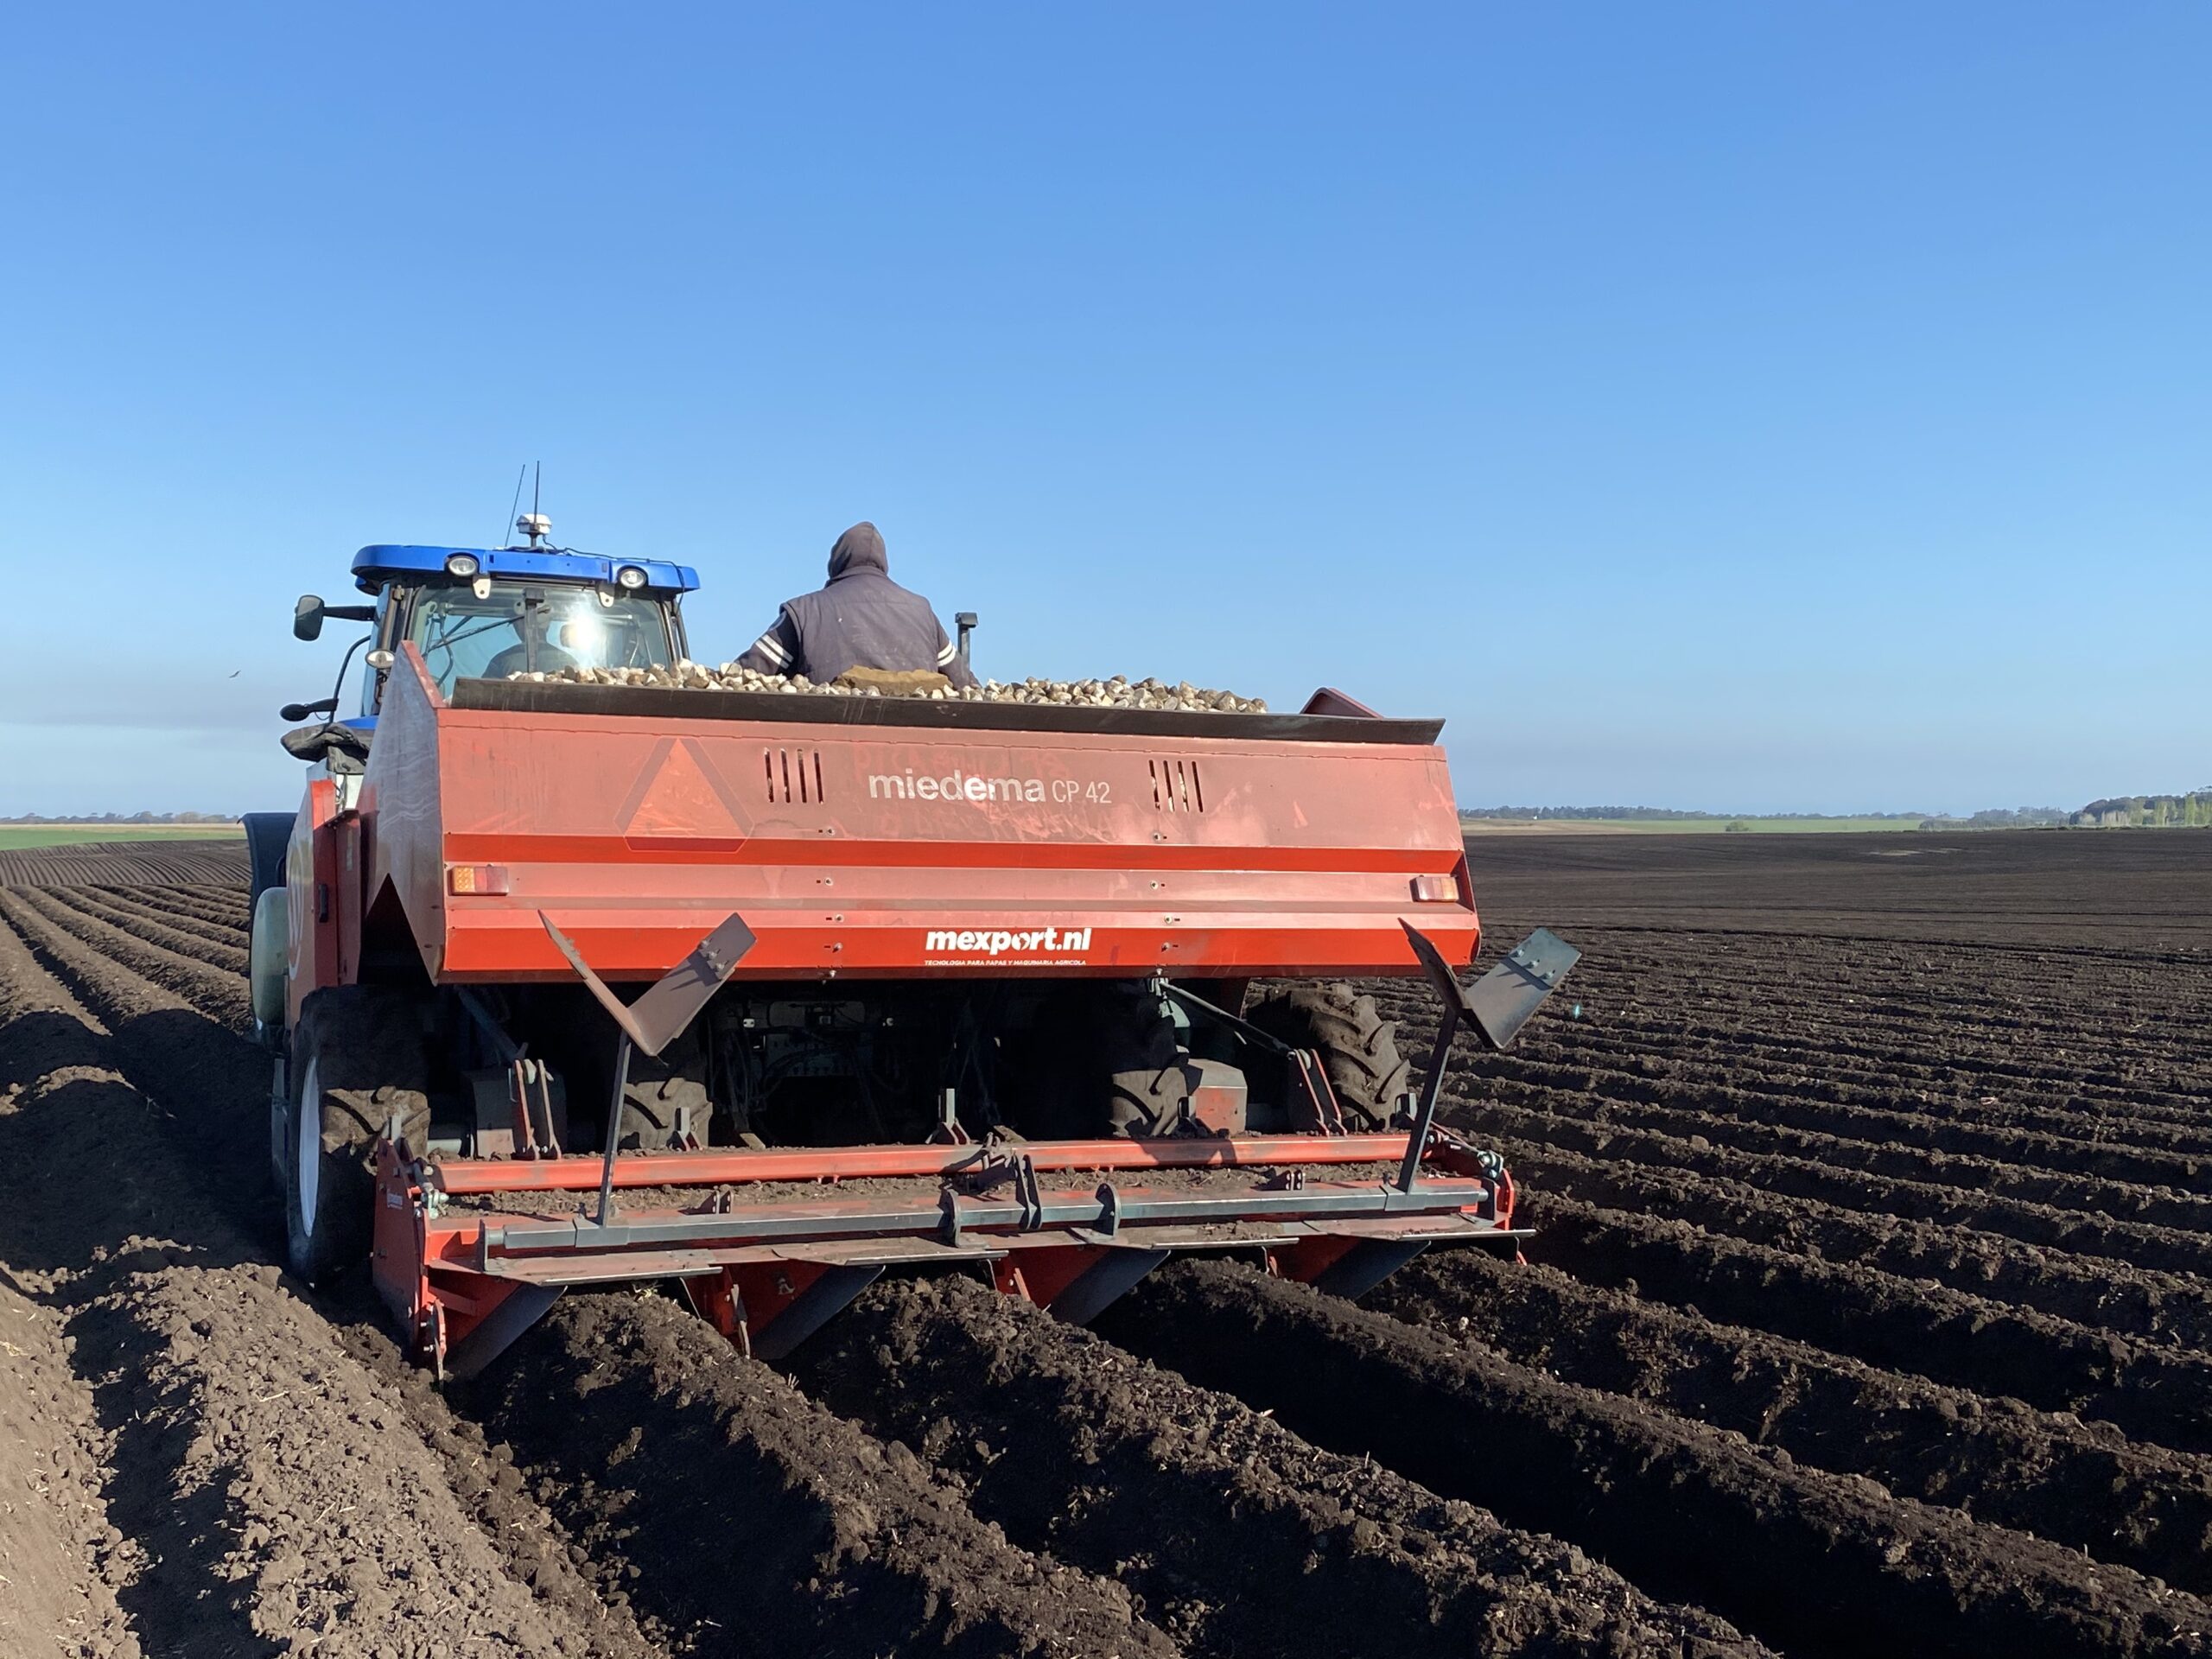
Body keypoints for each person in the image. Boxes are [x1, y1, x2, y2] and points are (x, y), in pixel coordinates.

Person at [738, 522, 976, 689]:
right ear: (884, 564)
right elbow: (967, 685)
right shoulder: (923, 611)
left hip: (824, 746)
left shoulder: (804, 612)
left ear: (836, 564)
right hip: (915, 754)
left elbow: (747, 675)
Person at [483, 603, 579, 679]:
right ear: (547, 625)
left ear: (520, 624)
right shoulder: (569, 662)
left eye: (516, 622)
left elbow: (484, 695)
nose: (516, 627)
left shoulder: (502, 661)